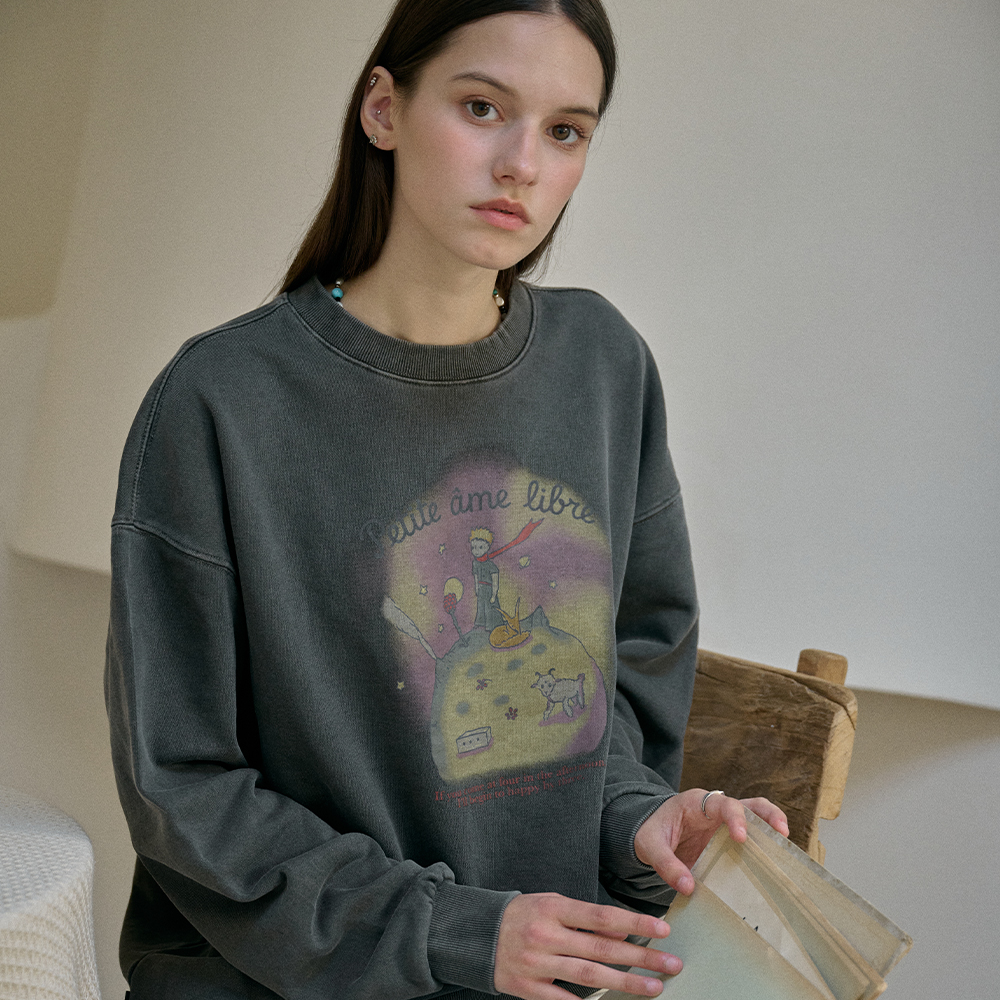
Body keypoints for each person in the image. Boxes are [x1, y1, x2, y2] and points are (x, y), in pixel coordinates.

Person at [105, 2, 789, 999]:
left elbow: (612, 701)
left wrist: (640, 819)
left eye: (565, 130)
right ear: (383, 109)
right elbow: (184, 786)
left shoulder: (603, 368)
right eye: (481, 108)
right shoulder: (223, 401)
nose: (522, 164)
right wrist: (451, 931)